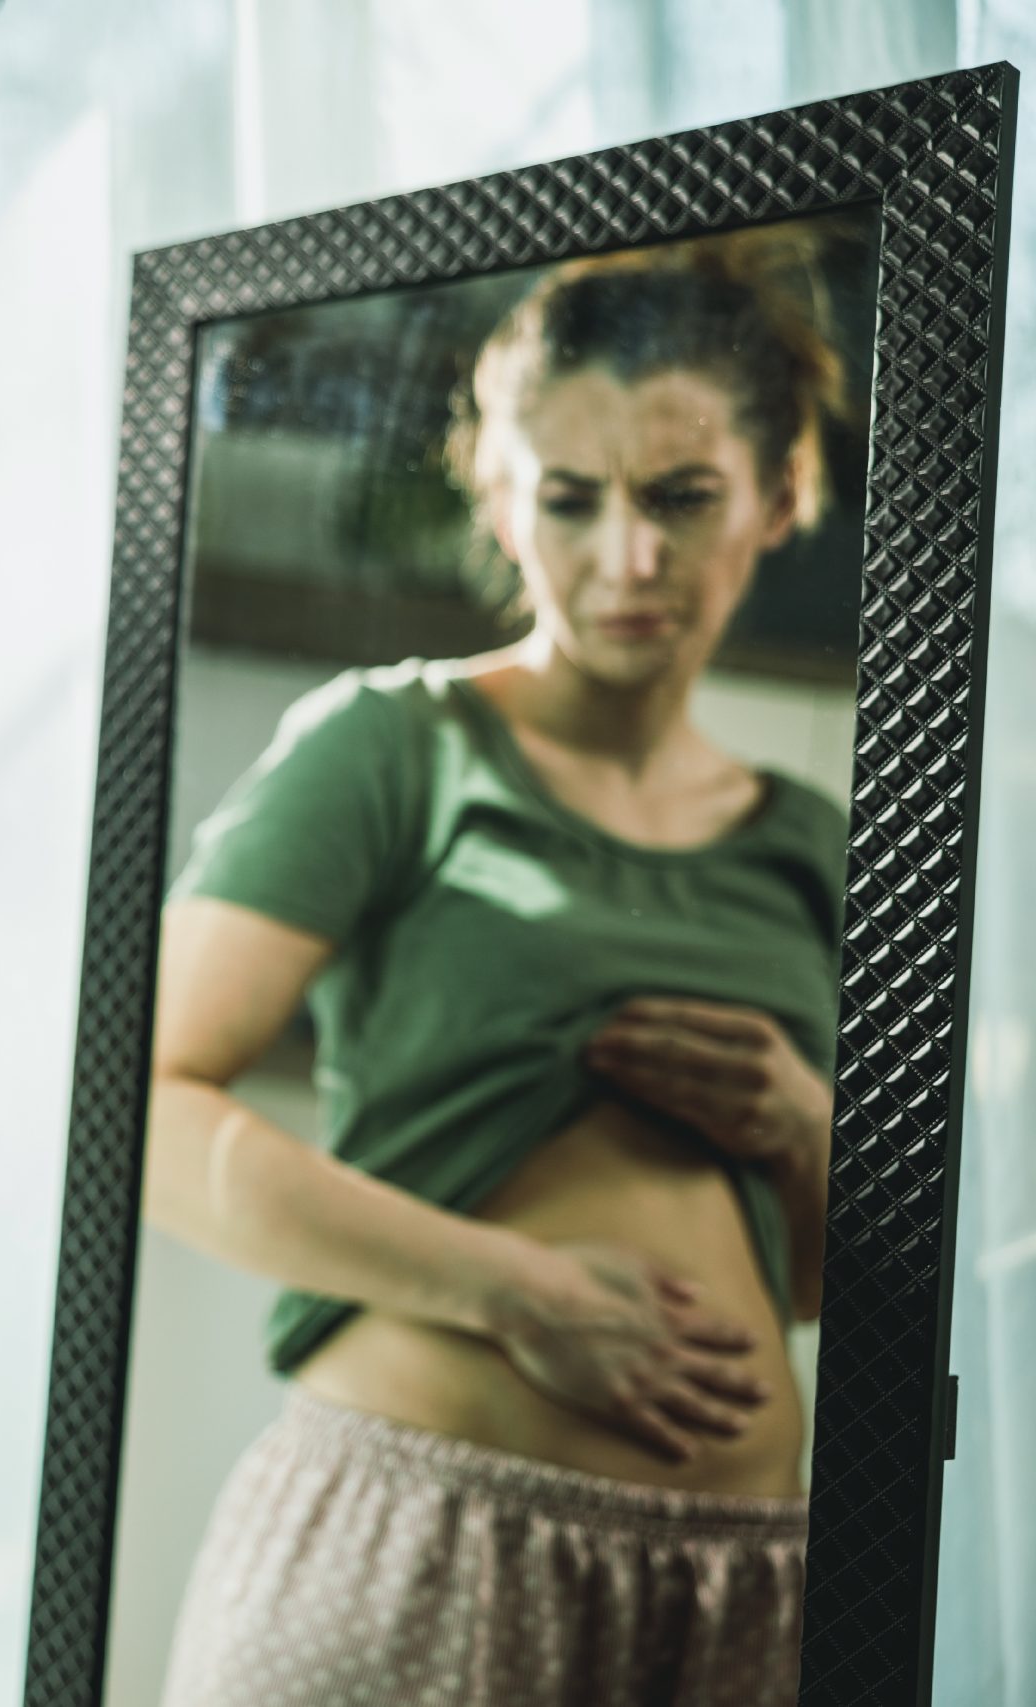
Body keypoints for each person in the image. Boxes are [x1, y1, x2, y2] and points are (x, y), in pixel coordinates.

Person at [148, 228, 854, 1707]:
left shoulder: (819, 846)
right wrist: (516, 1293)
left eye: (681, 499)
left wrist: (804, 1127)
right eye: (572, 501)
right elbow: (145, 1109)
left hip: (750, 1590)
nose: (628, 561)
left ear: (784, 493)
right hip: (419, 1549)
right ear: (500, 494)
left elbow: (828, 1288)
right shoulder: (390, 748)